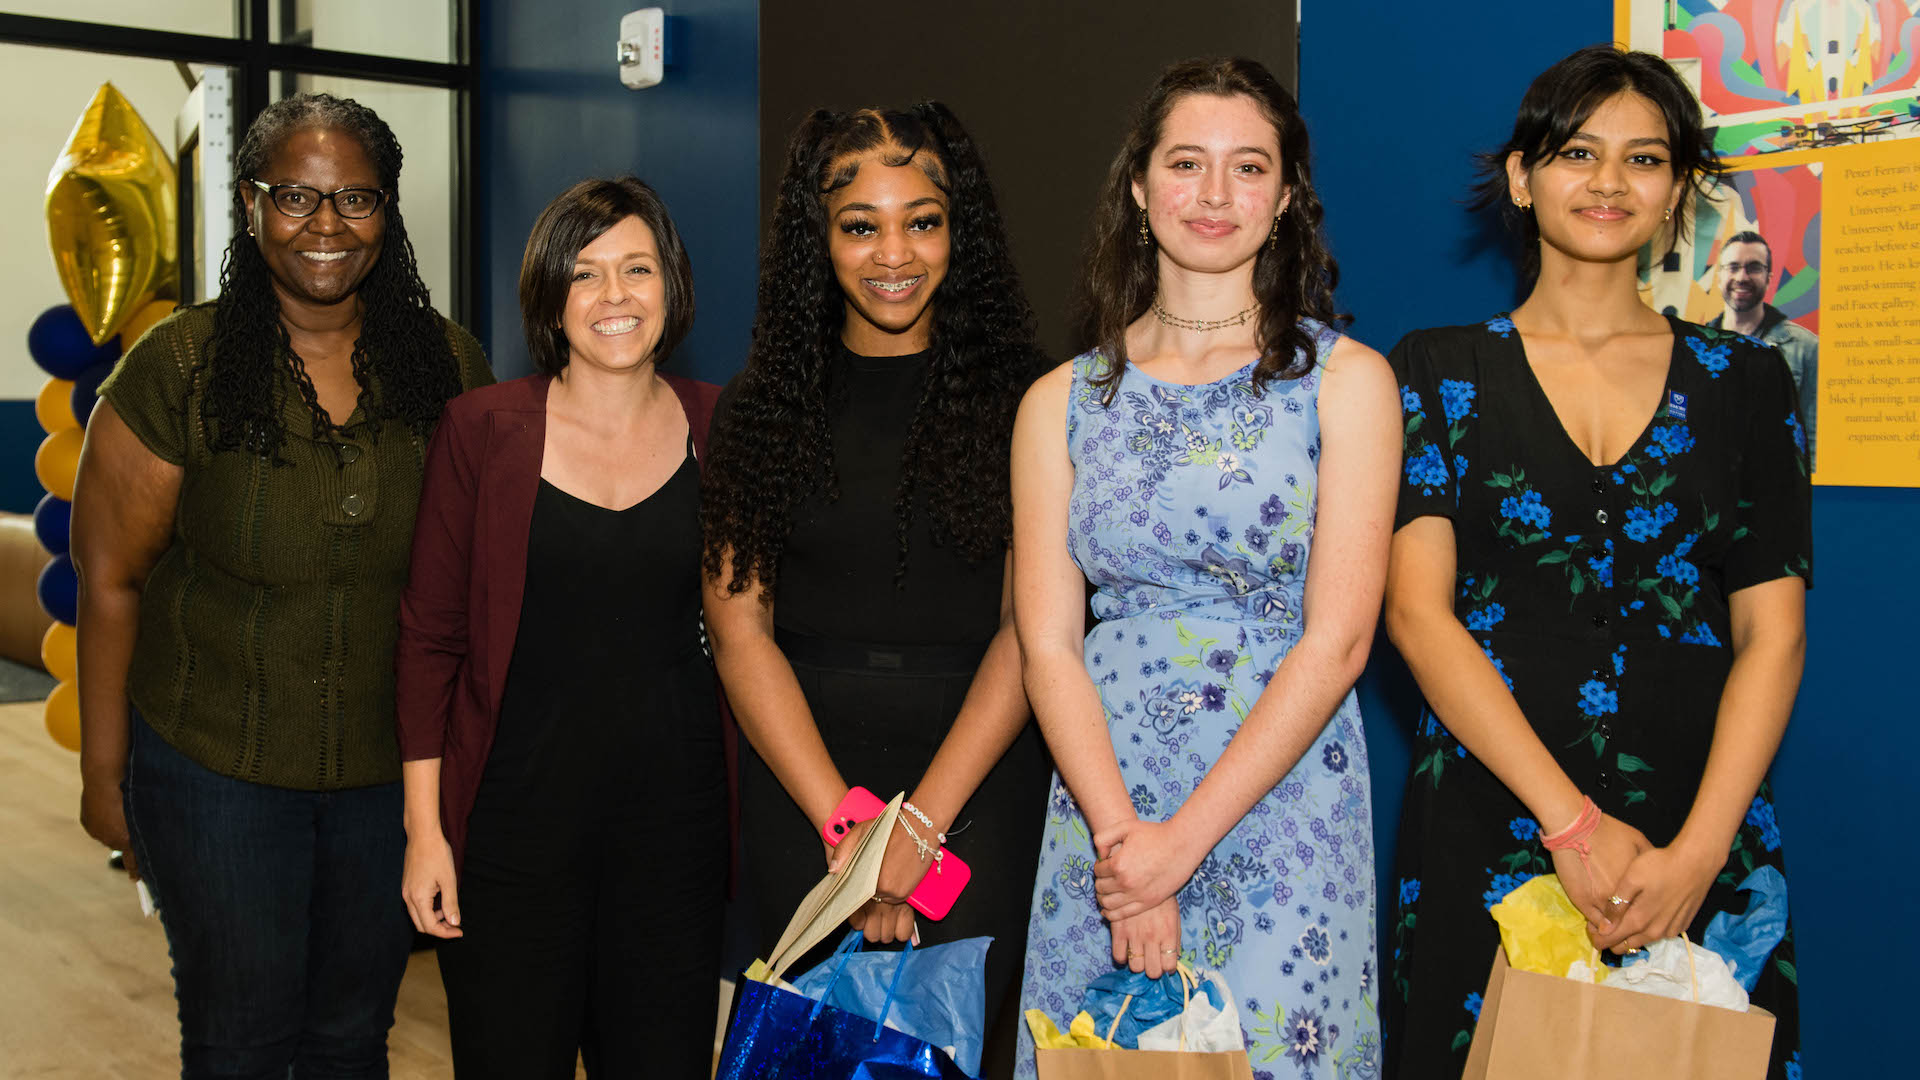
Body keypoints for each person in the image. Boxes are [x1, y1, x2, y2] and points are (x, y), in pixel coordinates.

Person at [1382, 46, 1809, 1079]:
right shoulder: (1437, 369)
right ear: (1523, 179)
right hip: (1492, 818)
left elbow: (1774, 632)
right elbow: (1418, 616)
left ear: (1678, 193)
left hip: (1695, 833)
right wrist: (1568, 824)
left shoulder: (1748, 381)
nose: (1610, 183)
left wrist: (1698, 860)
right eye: (1578, 153)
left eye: (1645, 158)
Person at [71, 93, 491, 1076]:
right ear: (250, 204)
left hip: (393, 781)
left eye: (355, 197)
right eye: (295, 196)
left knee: (353, 1038)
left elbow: (480, 580)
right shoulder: (179, 365)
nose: (326, 226)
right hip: (213, 772)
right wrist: (101, 775)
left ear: (388, 211)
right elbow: (110, 580)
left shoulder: (447, 363)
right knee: (240, 1041)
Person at [1013, 57, 1399, 1077]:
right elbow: (1048, 643)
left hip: (1281, 793)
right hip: (1107, 802)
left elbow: (1343, 637)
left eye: (1248, 167)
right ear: (1140, 189)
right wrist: (1126, 848)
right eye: (1187, 163)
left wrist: (1182, 843)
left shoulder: (1349, 384)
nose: (1216, 195)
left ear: (1285, 199)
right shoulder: (1059, 401)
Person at [701, 103, 1051, 1079]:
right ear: (820, 241)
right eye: (860, 225)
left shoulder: (1034, 398)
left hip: (977, 785)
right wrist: (852, 835)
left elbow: (1032, 634)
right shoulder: (759, 409)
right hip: (802, 788)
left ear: (959, 232)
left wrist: (920, 831)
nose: (893, 251)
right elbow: (740, 632)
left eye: (923, 220)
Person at [394, 177, 725, 1078]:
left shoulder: (723, 428)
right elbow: (430, 641)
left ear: (673, 284)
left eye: (637, 269)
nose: (615, 296)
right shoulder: (480, 431)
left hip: (677, 846)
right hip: (510, 843)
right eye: (585, 274)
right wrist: (427, 834)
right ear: (550, 297)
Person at [1709, 230, 1818, 467]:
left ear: (1769, 277)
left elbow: (1812, 440)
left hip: (1776, 489)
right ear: (1719, 276)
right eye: (1733, 267)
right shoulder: (1691, 348)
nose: (1742, 276)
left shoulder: (1806, 347)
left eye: (1754, 267)